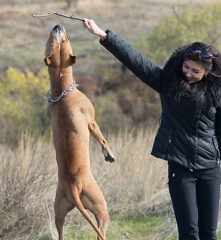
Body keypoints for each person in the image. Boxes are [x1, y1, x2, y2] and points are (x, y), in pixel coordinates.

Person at [82, 18, 221, 240]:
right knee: (190, 234)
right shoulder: (167, 83)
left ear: (207, 73)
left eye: (195, 71)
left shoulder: (216, 92)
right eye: (186, 67)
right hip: (181, 168)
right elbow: (137, 61)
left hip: (211, 168)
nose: (188, 73)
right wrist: (104, 36)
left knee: (209, 233)